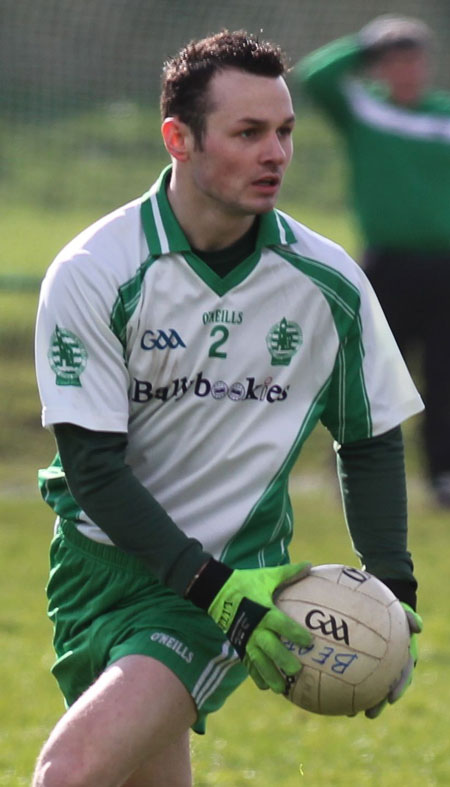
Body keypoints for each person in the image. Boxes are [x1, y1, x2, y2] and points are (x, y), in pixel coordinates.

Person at [33, 30, 423, 787]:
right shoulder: (96, 270)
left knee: (70, 771)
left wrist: (392, 589)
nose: (275, 153)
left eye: (284, 132)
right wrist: (200, 581)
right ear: (179, 138)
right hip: (92, 568)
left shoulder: (326, 283)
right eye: (248, 133)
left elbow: (369, 436)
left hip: (233, 582)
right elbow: (91, 467)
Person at [296, 14, 450, 508]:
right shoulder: (364, 110)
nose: (406, 68)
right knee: (372, 375)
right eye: (395, 59)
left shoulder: (443, 116)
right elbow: (313, 76)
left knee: (445, 375)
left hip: (445, 266)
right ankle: (354, 470)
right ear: (379, 66)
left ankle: (443, 477)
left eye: (413, 58)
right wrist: (367, 42)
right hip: (387, 266)